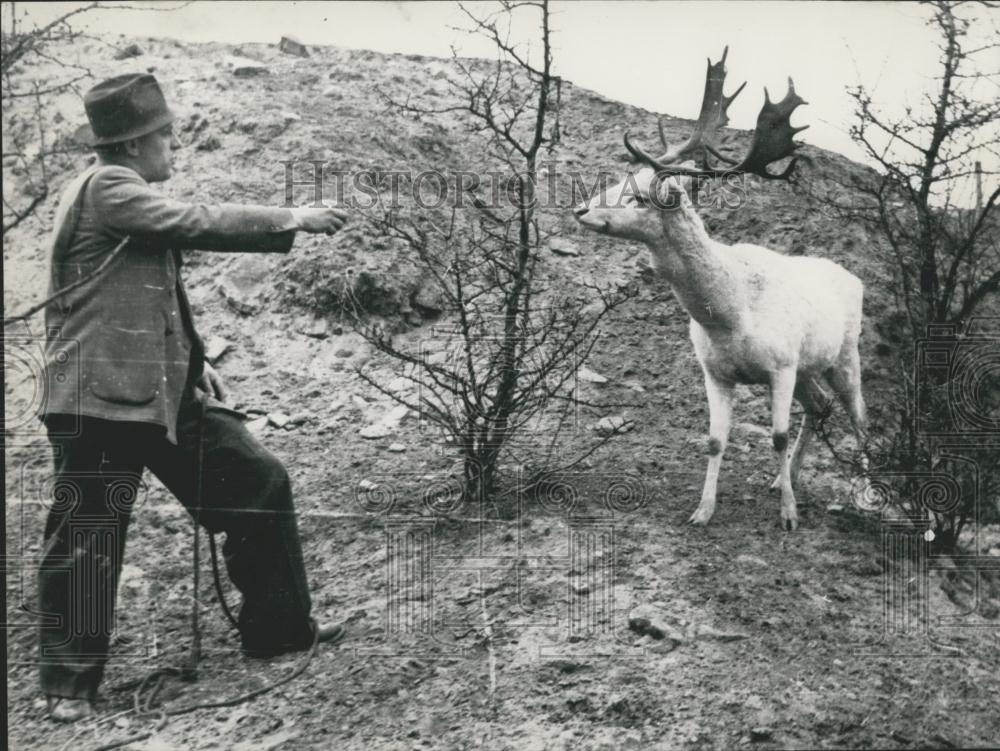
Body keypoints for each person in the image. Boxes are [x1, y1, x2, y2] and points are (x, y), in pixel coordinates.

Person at [36, 73, 349, 722]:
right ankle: (67, 687)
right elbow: (194, 220)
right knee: (90, 534)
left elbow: (156, 292)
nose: (173, 144)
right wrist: (289, 216)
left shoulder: (123, 191)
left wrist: (195, 366)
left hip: (156, 391)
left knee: (257, 481)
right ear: (131, 145)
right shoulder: (109, 185)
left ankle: (281, 631)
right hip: (97, 402)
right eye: (164, 135)